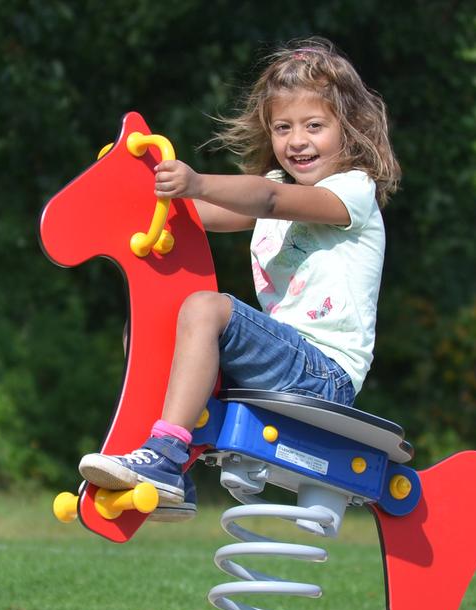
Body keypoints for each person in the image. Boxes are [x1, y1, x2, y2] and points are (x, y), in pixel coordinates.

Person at [79, 36, 400, 520]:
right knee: (150, 331)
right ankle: (173, 468)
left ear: (349, 129)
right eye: (283, 127)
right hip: (284, 360)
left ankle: (165, 455)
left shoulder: (352, 190)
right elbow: (194, 217)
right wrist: (137, 193)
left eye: (314, 126)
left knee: (207, 307)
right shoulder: (275, 186)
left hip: (324, 374)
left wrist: (197, 181)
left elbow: (266, 201)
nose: (297, 140)